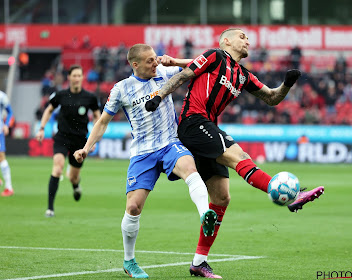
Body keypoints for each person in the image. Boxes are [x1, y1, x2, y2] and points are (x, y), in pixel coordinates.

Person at [145, 28, 325, 278]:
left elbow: (272, 98)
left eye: (248, 37)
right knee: (239, 156)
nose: (247, 40)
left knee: (221, 197)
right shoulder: (214, 56)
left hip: (207, 127)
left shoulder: (242, 74)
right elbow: (184, 75)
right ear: (226, 41)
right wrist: (158, 96)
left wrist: (287, 84)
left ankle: (199, 262)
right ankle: (289, 196)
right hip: (193, 122)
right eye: (242, 36)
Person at [73, 44, 217, 279]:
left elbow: (203, 65)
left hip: (170, 142)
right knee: (133, 207)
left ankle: (205, 215)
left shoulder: (164, 73)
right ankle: (129, 262)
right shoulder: (121, 89)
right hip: (143, 152)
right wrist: (87, 148)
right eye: (150, 60)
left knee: (190, 169)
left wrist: (175, 62)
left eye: (155, 58)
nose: (155, 62)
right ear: (135, 64)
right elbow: (102, 122)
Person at [35, 65, 101, 218]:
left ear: (82, 78)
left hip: (80, 141)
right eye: (74, 75)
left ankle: (76, 185)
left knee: (73, 176)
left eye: (79, 75)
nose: (77, 78)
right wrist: (41, 128)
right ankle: (50, 208)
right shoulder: (61, 95)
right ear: (69, 78)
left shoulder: (90, 97)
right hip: (62, 137)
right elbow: (49, 109)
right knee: (57, 169)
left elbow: (98, 116)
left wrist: (94, 139)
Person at [0, 90, 14, 197]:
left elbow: (10, 112)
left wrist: (6, 124)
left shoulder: (2, 96)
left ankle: (9, 188)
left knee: (1, 157)